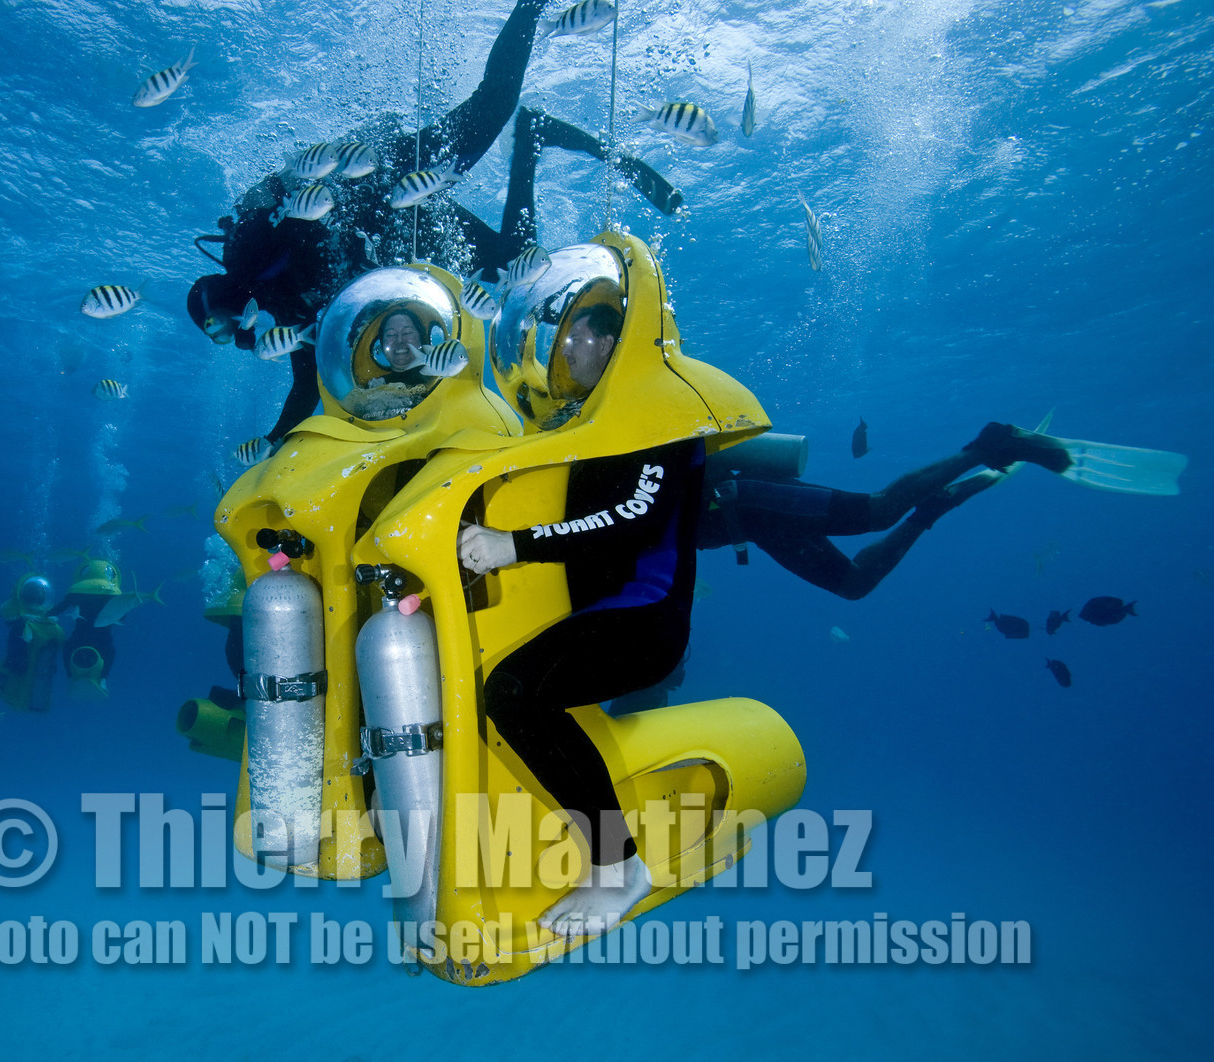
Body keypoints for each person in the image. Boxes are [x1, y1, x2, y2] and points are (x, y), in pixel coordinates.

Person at [188, 0, 681, 457]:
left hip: (383, 179)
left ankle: (531, 6)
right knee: (518, 266)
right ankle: (532, 138)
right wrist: (275, 440)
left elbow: (286, 190)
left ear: (221, 304)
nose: (234, 337)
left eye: (219, 329)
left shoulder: (247, 256)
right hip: (401, 231)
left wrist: (345, 162)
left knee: (493, 104)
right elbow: (306, 379)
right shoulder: (281, 305)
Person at [457, 304, 709, 938]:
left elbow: (636, 517)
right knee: (512, 693)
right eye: (562, 337)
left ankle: (620, 868)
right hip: (606, 611)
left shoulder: (664, 411)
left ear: (614, 342)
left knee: (515, 694)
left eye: (577, 338)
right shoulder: (593, 415)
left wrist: (513, 546)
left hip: (648, 617)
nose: (564, 350)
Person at [699, 423, 1074, 600]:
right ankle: (932, 507)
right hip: (749, 524)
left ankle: (990, 446)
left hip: (744, 499)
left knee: (878, 512)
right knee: (854, 584)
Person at [0, 574, 64, 711]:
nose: (35, 606)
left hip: (22, 680)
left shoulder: (46, 626)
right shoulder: (48, 628)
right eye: (33, 599)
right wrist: (23, 619)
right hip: (26, 679)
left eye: (38, 600)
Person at [57, 559, 121, 701]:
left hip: (81, 635)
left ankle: (75, 677)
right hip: (102, 637)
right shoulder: (112, 595)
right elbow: (122, 617)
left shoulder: (77, 593)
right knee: (109, 651)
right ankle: (102, 679)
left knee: (68, 647)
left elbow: (61, 607)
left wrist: (47, 614)